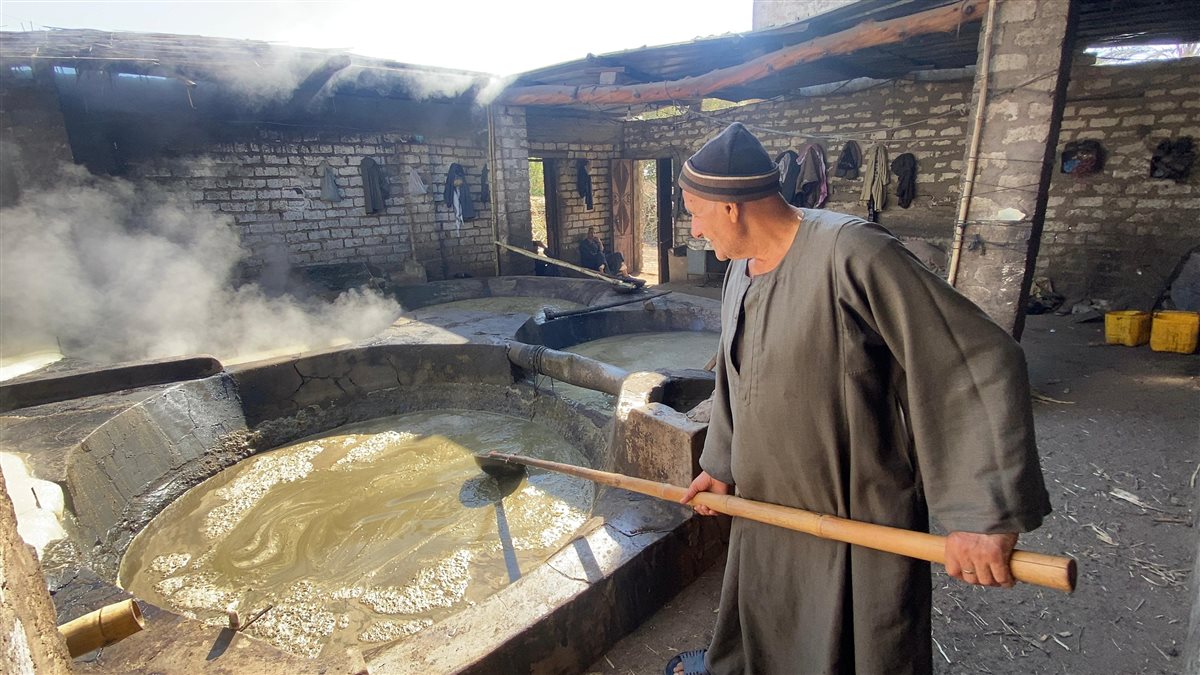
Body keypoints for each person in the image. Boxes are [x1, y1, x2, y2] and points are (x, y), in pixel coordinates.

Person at [668, 123, 1051, 675]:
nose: (694, 230)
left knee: (860, 642)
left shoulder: (853, 252)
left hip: (853, 505)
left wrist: (982, 515)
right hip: (769, 504)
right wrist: (722, 466)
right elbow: (738, 376)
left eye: (695, 212)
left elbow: (971, 361)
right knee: (771, 620)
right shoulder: (740, 271)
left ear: (732, 208)